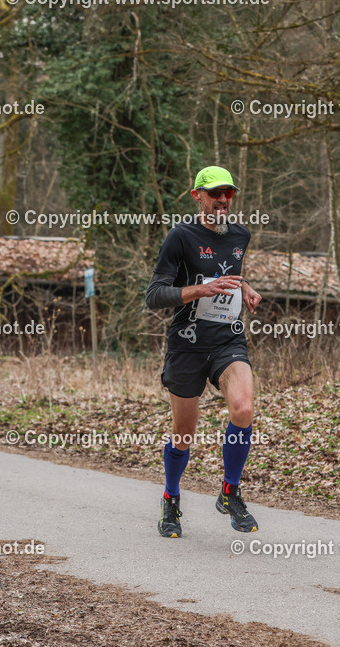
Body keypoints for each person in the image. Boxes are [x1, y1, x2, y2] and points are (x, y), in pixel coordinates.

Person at [144, 166, 263, 538]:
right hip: (187, 343)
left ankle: (230, 492)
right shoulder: (180, 237)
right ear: (197, 196)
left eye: (228, 193)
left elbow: (225, 270)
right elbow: (154, 295)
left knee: (243, 408)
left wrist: (244, 287)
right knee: (184, 433)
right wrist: (200, 291)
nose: (222, 200)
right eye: (215, 194)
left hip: (227, 339)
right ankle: (171, 497)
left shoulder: (240, 235)